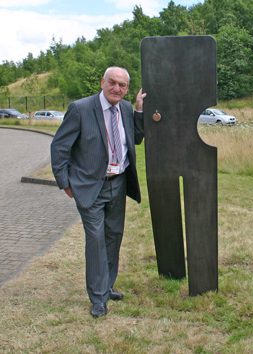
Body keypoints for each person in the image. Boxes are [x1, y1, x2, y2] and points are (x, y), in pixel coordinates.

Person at [51, 66, 146, 317]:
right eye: (112, 82)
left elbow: (136, 138)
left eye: (122, 85)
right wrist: (65, 183)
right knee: (95, 240)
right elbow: (60, 147)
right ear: (103, 82)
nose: (116, 88)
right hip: (90, 186)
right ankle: (98, 298)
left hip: (119, 182)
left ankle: (107, 285)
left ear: (127, 88)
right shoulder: (80, 109)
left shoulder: (125, 108)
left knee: (113, 236)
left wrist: (138, 110)